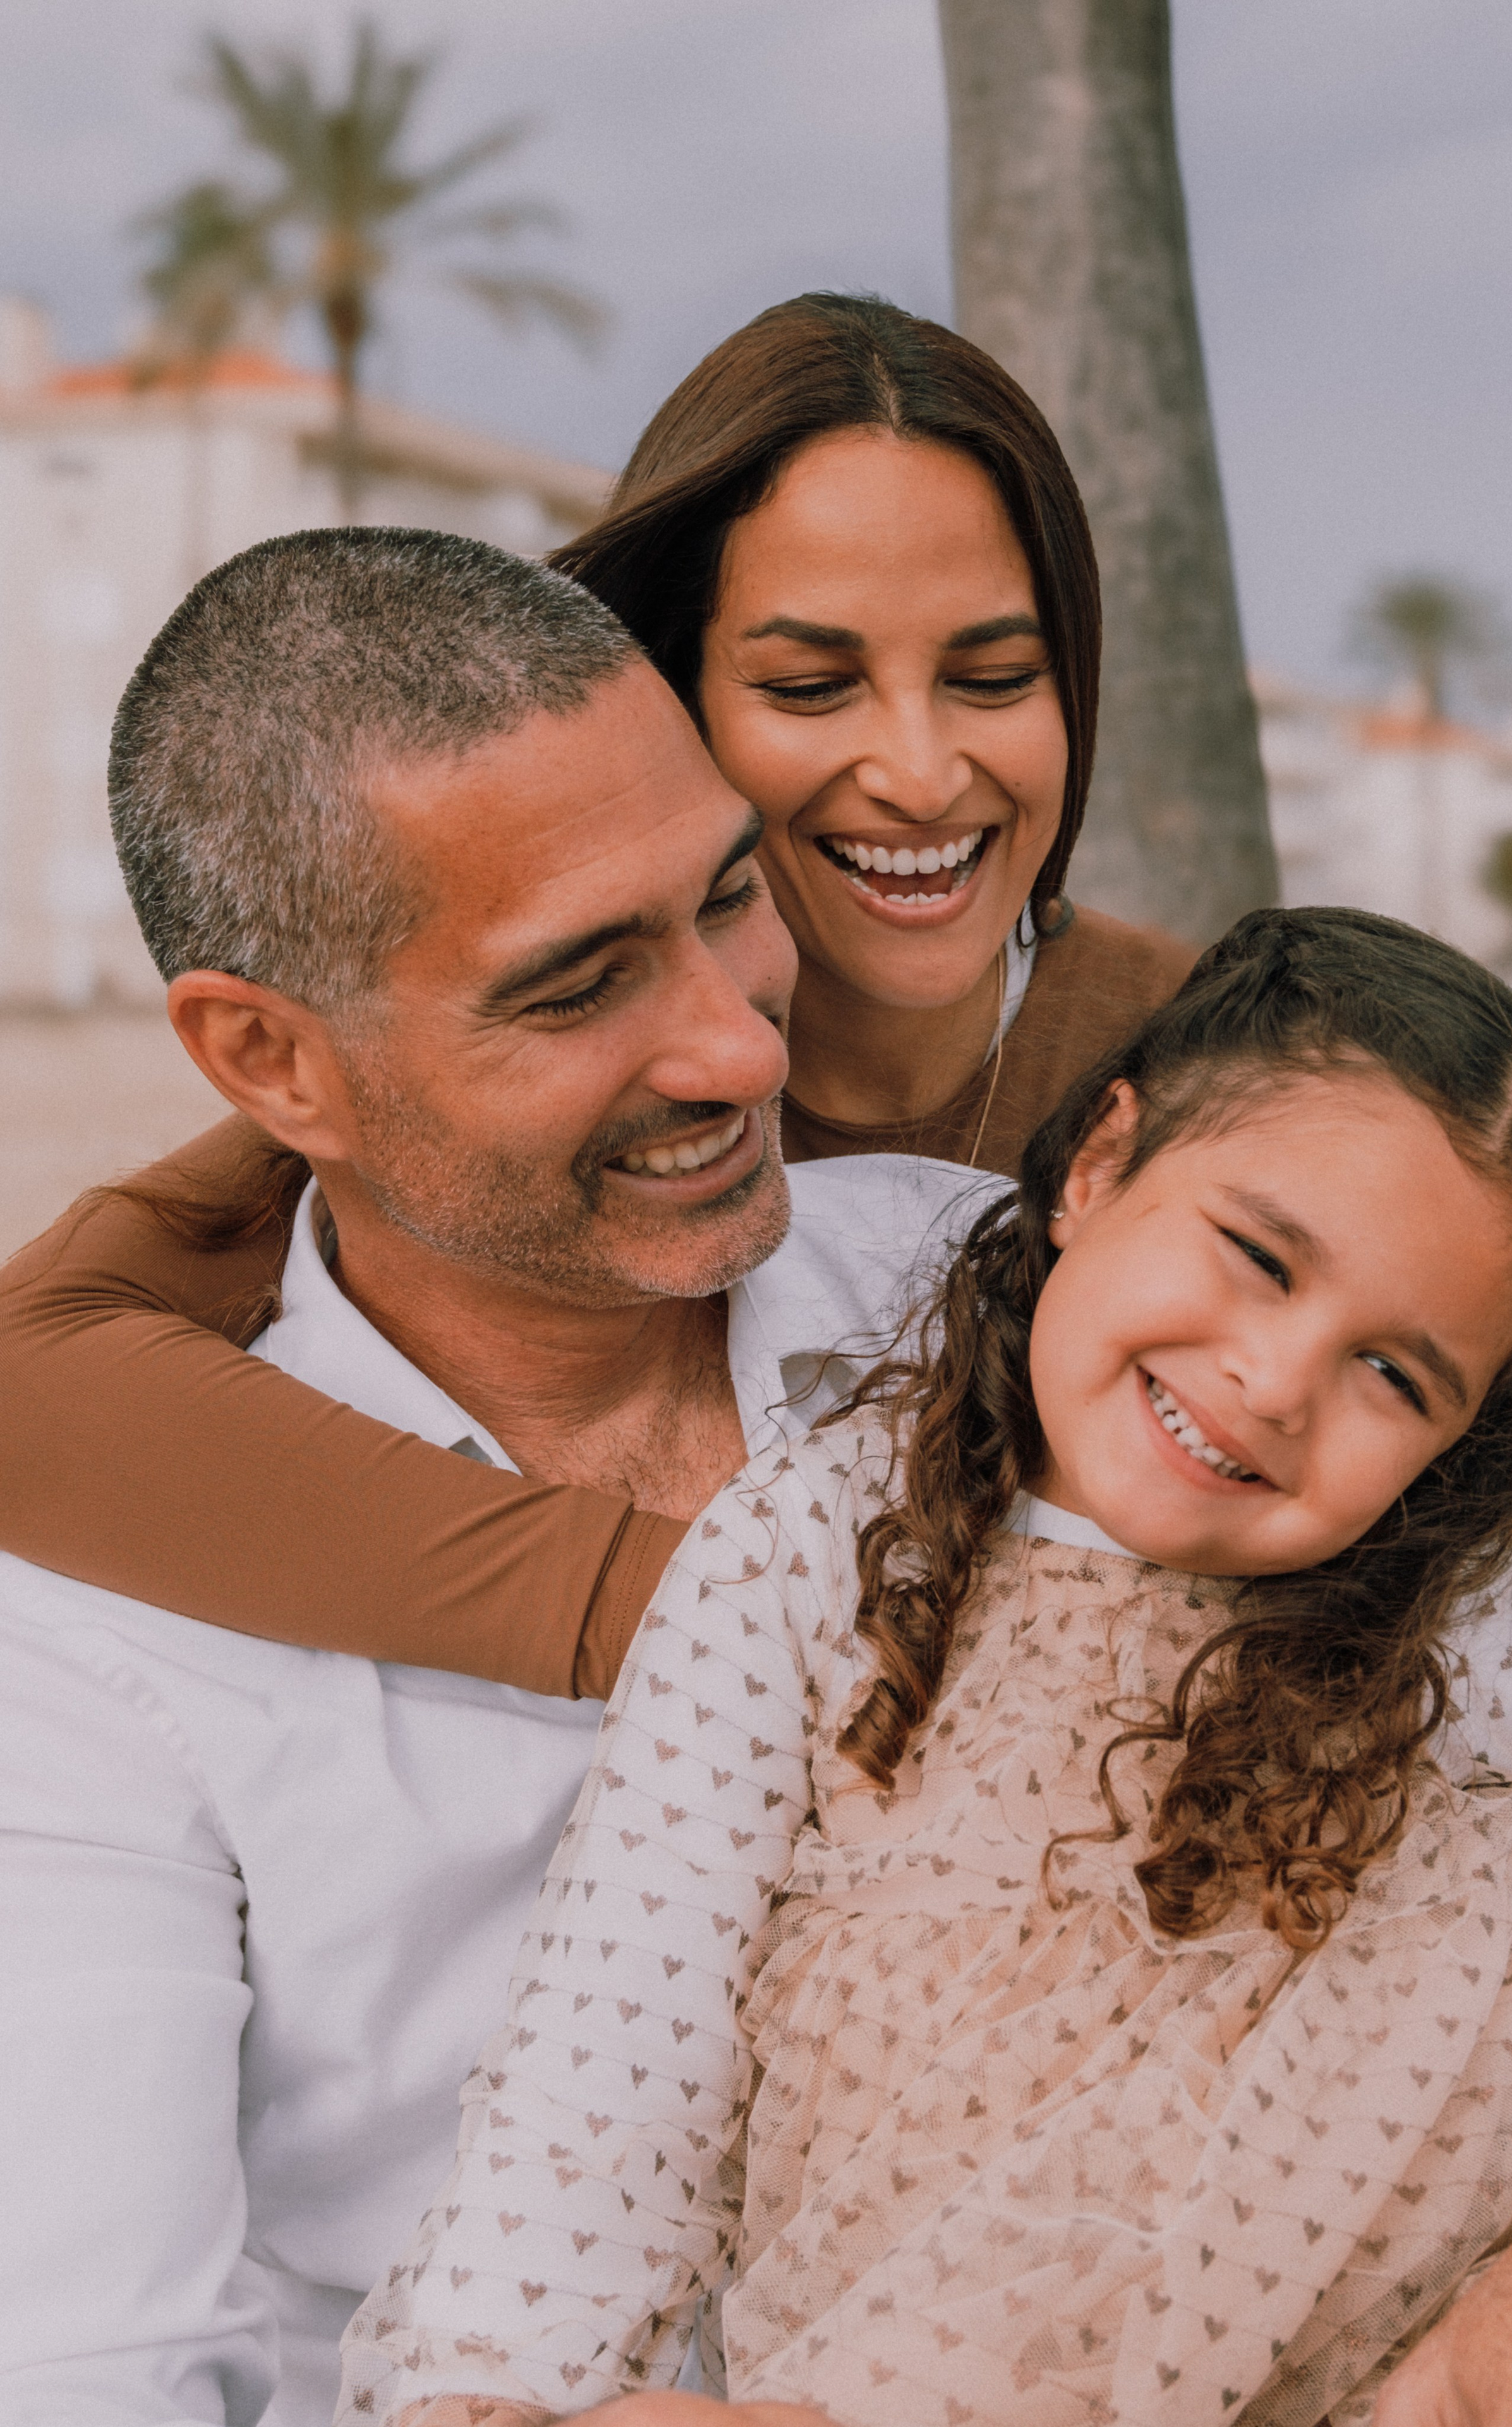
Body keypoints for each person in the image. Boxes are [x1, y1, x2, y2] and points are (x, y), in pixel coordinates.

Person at [334, 909, 1512, 2427]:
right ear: (1099, 1164)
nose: (1275, 1384)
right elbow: (613, 2049)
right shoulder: (820, 1548)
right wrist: (487, 2394)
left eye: (1392, 1374)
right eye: (1258, 1257)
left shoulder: (1459, 1638)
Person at [0, 527, 1005, 2425]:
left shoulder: (1000, 1298)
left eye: (729, 896)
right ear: (268, 1061)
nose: (741, 1044)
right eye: (576, 988)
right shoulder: (88, 1659)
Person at [0, 292, 1194, 1691]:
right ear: (664, 697)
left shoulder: (1222, 1058)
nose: (921, 774)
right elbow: (33, 1383)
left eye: (993, 676)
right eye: (810, 687)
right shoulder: (435, 1113)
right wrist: (730, 1625)